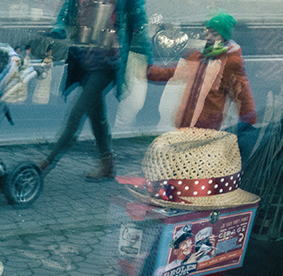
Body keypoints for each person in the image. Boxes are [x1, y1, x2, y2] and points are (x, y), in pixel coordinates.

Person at [38, 0, 151, 181]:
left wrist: (147, 58)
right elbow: (67, 10)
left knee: (76, 114)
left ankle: (46, 164)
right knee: (97, 115)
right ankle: (107, 163)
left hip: (107, 62)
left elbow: (139, 22)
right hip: (83, 60)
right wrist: (58, 29)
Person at [147, 12, 256, 133]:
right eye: (207, 32)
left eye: (214, 34)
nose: (208, 37)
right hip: (186, 121)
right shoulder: (198, 56)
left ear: (224, 36)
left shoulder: (229, 61)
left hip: (207, 125)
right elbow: (174, 71)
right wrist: (149, 71)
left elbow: (242, 91)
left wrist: (249, 119)